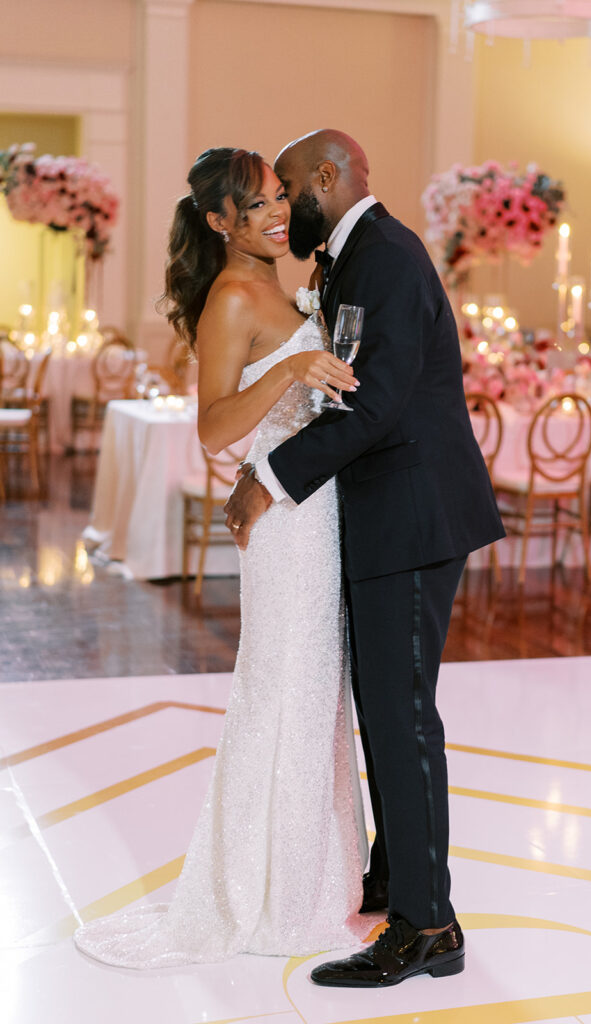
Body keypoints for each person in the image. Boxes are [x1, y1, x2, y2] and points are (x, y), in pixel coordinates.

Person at [73, 146, 373, 967]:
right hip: (287, 530)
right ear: (218, 222)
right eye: (258, 207)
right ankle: (263, 890)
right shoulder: (233, 295)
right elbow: (212, 426)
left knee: (314, 688)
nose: (280, 213)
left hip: (314, 508)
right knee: (283, 684)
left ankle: (314, 874)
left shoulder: (278, 283)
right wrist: (294, 371)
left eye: (279, 196)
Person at [223, 129, 505, 987]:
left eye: (287, 193)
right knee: (386, 707)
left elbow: (377, 406)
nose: (283, 210)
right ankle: (398, 874)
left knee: (402, 715)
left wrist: (267, 476)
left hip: (412, 523)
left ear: (323, 179)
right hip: (385, 522)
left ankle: (428, 926)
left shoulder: (385, 255)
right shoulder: (354, 258)